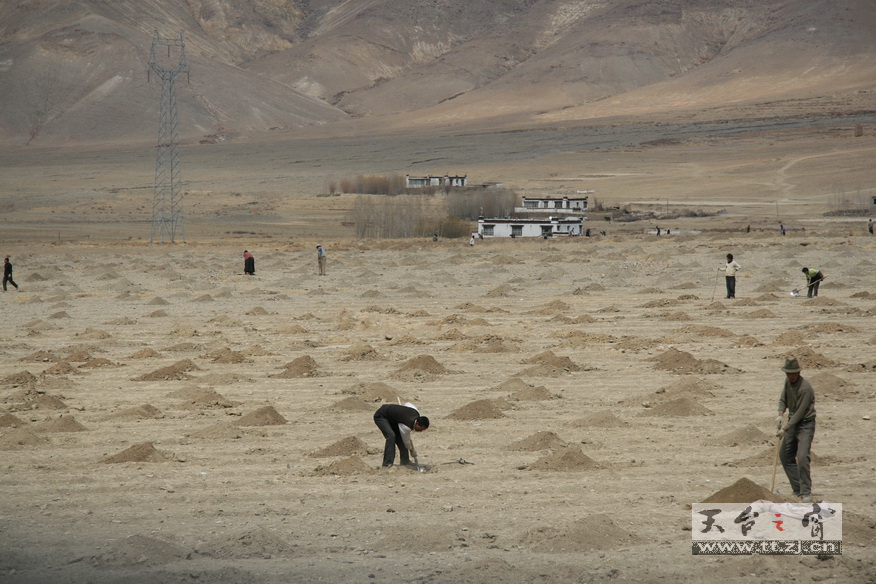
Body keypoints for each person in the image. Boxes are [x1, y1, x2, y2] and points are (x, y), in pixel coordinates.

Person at [775, 357, 816, 502]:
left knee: (803, 456)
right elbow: (783, 399)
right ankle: (797, 487)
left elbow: (799, 413)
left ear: (798, 372)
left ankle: (806, 492)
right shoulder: (787, 382)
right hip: (792, 422)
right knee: (785, 455)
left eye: (793, 373)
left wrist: (785, 428)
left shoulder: (805, 388)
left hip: (805, 423)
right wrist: (780, 414)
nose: (791, 376)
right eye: (788, 374)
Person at [373, 403, 429, 468]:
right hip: (381, 416)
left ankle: (405, 461)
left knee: (401, 438)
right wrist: (412, 451)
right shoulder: (406, 426)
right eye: (420, 429)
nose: (420, 431)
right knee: (391, 436)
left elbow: (408, 404)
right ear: (417, 423)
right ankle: (387, 464)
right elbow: (407, 442)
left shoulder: (416, 412)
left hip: (393, 420)